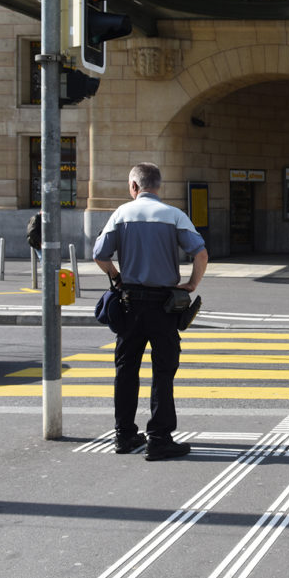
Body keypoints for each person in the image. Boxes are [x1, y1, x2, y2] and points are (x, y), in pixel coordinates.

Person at [93, 162, 208, 461]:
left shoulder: (121, 214)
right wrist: (191, 284)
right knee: (163, 372)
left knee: (126, 370)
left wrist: (117, 278)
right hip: (164, 306)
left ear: (133, 187)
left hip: (129, 304)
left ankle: (125, 435)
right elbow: (201, 253)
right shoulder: (174, 215)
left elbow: (99, 254)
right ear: (159, 186)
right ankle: (159, 438)